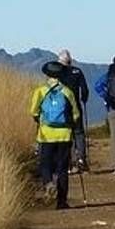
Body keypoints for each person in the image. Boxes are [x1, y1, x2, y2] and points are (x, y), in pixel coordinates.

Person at [29, 60, 80, 209]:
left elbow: (33, 111)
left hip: (46, 135)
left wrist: (39, 119)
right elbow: (76, 114)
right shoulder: (67, 92)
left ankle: (48, 184)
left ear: (47, 74)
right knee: (62, 168)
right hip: (64, 135)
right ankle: (62, 202)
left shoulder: (40, 91)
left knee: (45, 165)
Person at [53, 49, 90, 173]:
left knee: (66, 134)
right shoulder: (77, 71)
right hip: (76, 107)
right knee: (79, 133)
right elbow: (84, 89)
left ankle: (67, 162)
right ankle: (81, 159)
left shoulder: (57, 72)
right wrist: (84, 99)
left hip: (62, 108)